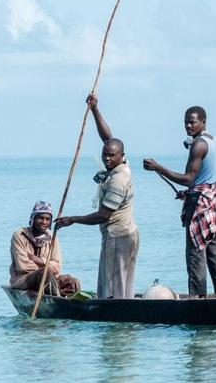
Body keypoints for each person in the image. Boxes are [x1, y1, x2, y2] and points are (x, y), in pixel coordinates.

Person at [54, 94, 140, 299]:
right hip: (126, 234)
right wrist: (94, 109)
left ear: (121, 156)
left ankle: (117, 323)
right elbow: (108, 138)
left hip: (118, 236)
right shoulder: (122, 164)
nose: (107, 159)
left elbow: (103, 215)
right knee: (121, 285)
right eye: (105, 155)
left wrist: (72, 219)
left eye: (112, 156)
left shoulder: (119, 179)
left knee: (113, 288)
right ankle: (123, 318)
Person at [143, 105, 216, 298]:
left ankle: (197, 300)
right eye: (186, 122)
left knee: (196, 255)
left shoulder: (199, 145)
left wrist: (159, 167)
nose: (188, 126)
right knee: (215, 255)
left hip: (201, 204)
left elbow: (189, 178)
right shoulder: (214, 140)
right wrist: (187, 193)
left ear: (203, 122)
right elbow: (204, 180)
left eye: (192, 122)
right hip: (214, 201)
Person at [9, 201, 80, 296]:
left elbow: (57, 267)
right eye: (40, 218)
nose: (44, 222)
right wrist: (47, 269)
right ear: (33, 218)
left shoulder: (52, 238)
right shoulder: (19, 235)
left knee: (73, 282)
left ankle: (69, 306)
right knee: (44, 273)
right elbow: (23, 266)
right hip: (24, 280)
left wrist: (39, 260)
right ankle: (55, 299)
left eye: (47, 219)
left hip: (50, 280)